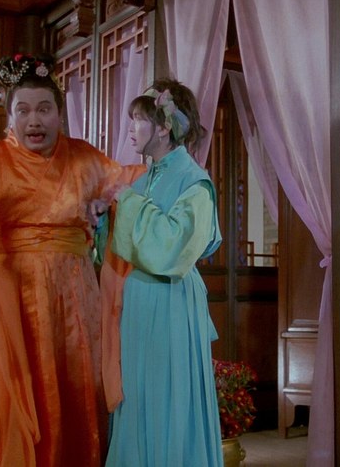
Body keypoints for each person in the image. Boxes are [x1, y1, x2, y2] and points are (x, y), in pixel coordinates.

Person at [0, 53, 145, 466]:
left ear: (60, 113)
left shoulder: (85, 159)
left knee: (71, 392)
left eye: (44, 109)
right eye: (22, 110)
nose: (34, 120)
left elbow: (128, 184)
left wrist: (159, 170)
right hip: (7, 301)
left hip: (73, 303)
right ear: (10, 117)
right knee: (1, 402)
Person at [104, 78, 223, 466]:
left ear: (163, 127)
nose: (131, 128)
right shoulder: (145, 177)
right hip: (139, 298)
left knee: (167, 395)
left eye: (139, 119)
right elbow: (123, 243)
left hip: (171, 298)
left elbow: (173, 246)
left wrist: (127, 203)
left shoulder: (195, 182)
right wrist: (102, 215)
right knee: (138, 394)